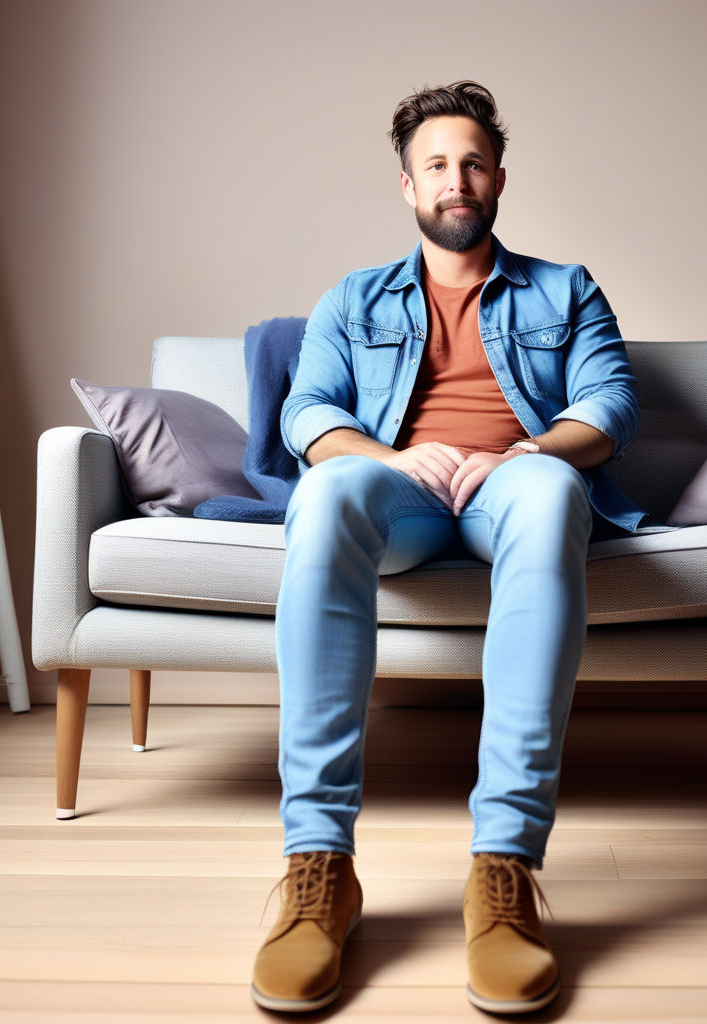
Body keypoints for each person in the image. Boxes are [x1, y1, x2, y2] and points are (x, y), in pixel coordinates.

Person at [250, 80, 642, 1015]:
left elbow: (612, 404)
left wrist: (531, 449)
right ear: (408, 185)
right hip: (406, 494)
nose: (455, 180)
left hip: (513, 485)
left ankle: (504, 873)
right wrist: (394, 456)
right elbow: (306, 412)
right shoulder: (353, 297)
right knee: (332, 481)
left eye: (472, 163)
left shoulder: (566, 287)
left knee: (553, 490)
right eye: (437, 165)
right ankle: (319, 871)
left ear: (498, 177)